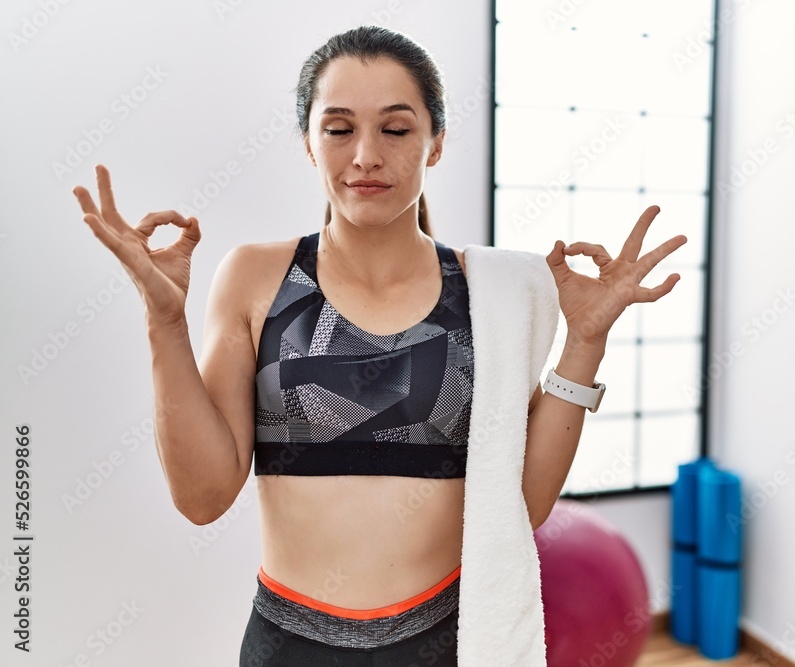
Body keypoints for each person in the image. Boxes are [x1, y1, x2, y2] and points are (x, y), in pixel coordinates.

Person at [71, 25, 686, 667]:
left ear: (436, 143)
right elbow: (202, 498)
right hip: (288, 645)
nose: (366, 155)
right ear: (309, 144)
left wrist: (584, 340)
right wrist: (163, 321)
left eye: (395, 130)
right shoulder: (256, 277)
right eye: (338, 129)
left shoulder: (489, 295)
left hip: (442, 642)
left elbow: (518, 508)